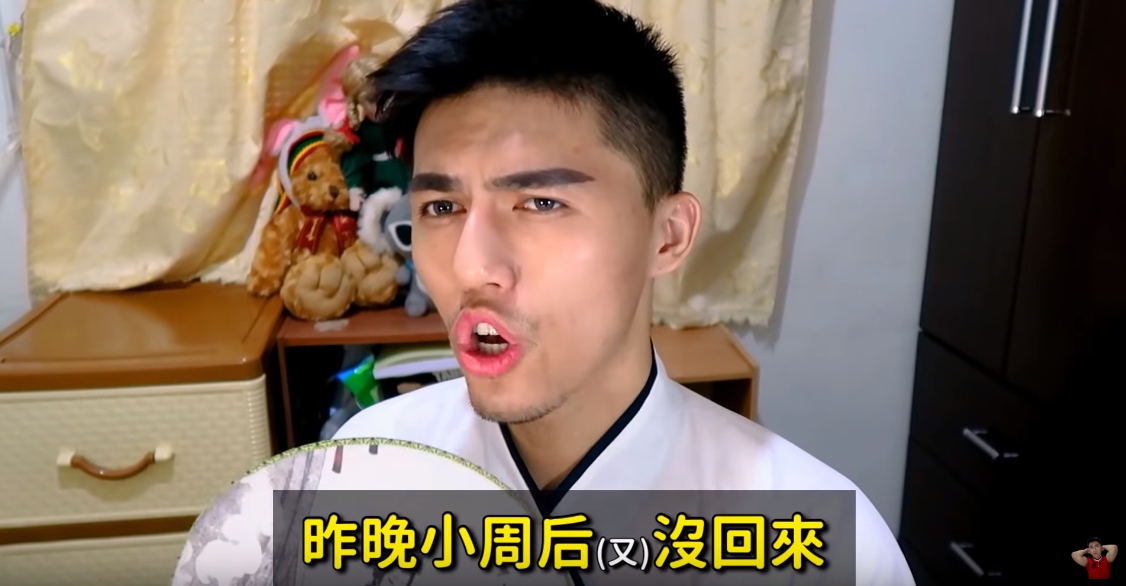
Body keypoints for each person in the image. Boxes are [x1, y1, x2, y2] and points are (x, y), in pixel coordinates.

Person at [334, 0, 915, 584]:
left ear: (668, 236)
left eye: (541, 203)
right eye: (441, 207)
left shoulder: (822, 545)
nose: (470, 266)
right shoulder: (367, 472)